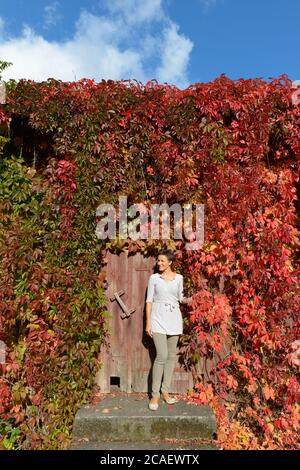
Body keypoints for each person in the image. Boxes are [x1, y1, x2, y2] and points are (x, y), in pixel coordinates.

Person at [145, 249, 191, 411]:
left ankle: (165, 391)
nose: (159, 263)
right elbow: (149, 301)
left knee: (171, 356)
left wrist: (192, 300)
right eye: (158, 261)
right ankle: (155, 394)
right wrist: (148, 323)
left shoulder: (179, 278)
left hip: (174, 319)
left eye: (162, 261)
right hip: (158, 319)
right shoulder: (154, 279)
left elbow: (181, 298)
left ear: (170, 262)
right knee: (162, 355)